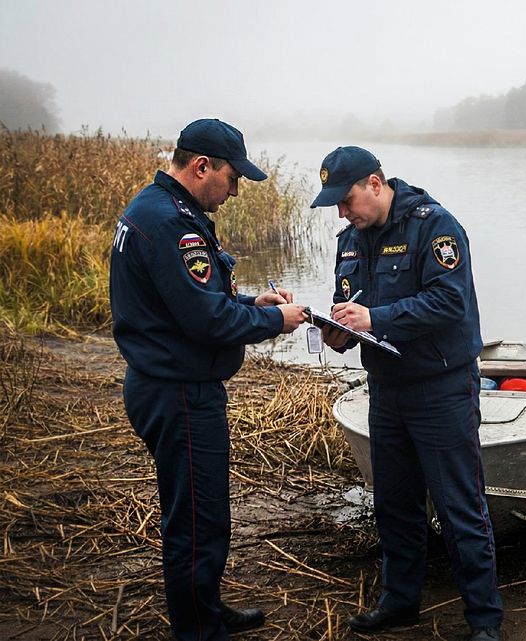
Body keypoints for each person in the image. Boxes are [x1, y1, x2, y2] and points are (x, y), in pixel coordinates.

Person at [109, 118, 308, 641]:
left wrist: (252, 303)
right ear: (201, 166)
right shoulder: (175, 224)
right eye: (233, 176)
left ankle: (206, 606)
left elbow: (191, 305)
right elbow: (206, 321)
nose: (238, 188)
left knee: (201, 512)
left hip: (165, 381)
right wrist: (274, 321)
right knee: (197, 522)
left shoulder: (154, 207)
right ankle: (197, 630)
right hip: (178, 391)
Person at [313, 146, 503, 641]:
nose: (343, 212)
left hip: (441, 386)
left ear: (376, 183)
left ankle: (484, 619)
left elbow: (448, 302)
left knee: (459, 504)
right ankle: (400, 602)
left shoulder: (434, 226)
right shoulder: (350, 241)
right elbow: (351, 307)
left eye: (348, 199)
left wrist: (377, 319)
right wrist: (338, 333)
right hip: (386, 389)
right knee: (394, 504)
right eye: (336, 204)